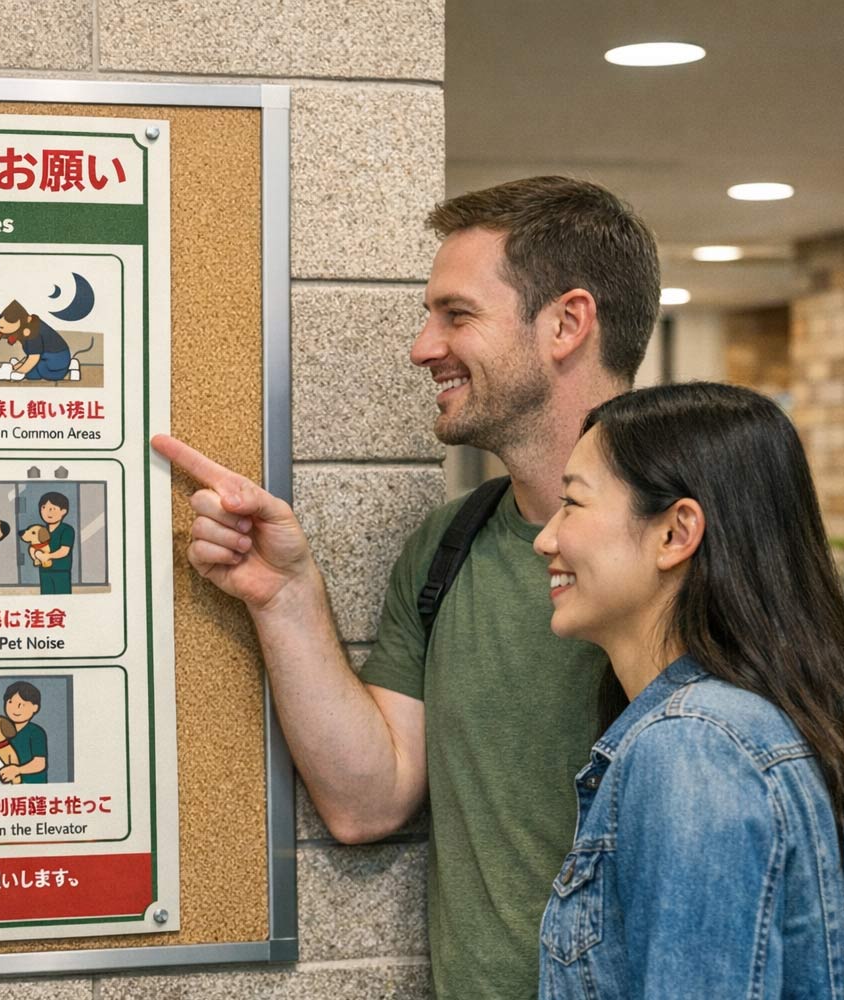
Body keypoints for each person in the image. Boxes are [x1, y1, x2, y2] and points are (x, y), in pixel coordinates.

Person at [152, 176, 661, 997]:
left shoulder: (703, 548)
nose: (424, 347)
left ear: (567, 323)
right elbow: (368, 801)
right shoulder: (448, 545)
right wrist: (284, 594)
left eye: (457, 316)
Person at [533, 382, 844, 997]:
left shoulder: (694, 747)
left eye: (572, 504)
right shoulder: (733, 730)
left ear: (675, 534)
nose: (546, 538)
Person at [0, 681, 48, 784]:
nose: (14, 709)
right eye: (10, 702)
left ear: (35, 708)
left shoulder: (36, 732)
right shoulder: (1, 729)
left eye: (21, 705)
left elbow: (40, 763)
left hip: (32, 785)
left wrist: (17, 770)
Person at [31, 491, 75, 596]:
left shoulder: (67, 529)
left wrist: (48, 556)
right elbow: (34, 547)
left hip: (61, 571)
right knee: (46, 598)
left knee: (63, 598)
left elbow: (64, 550)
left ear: (63, 511)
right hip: (44, 571)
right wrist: (36, 555)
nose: (47, 512)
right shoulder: (41, 530)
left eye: (52, 509)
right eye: (44, 508)